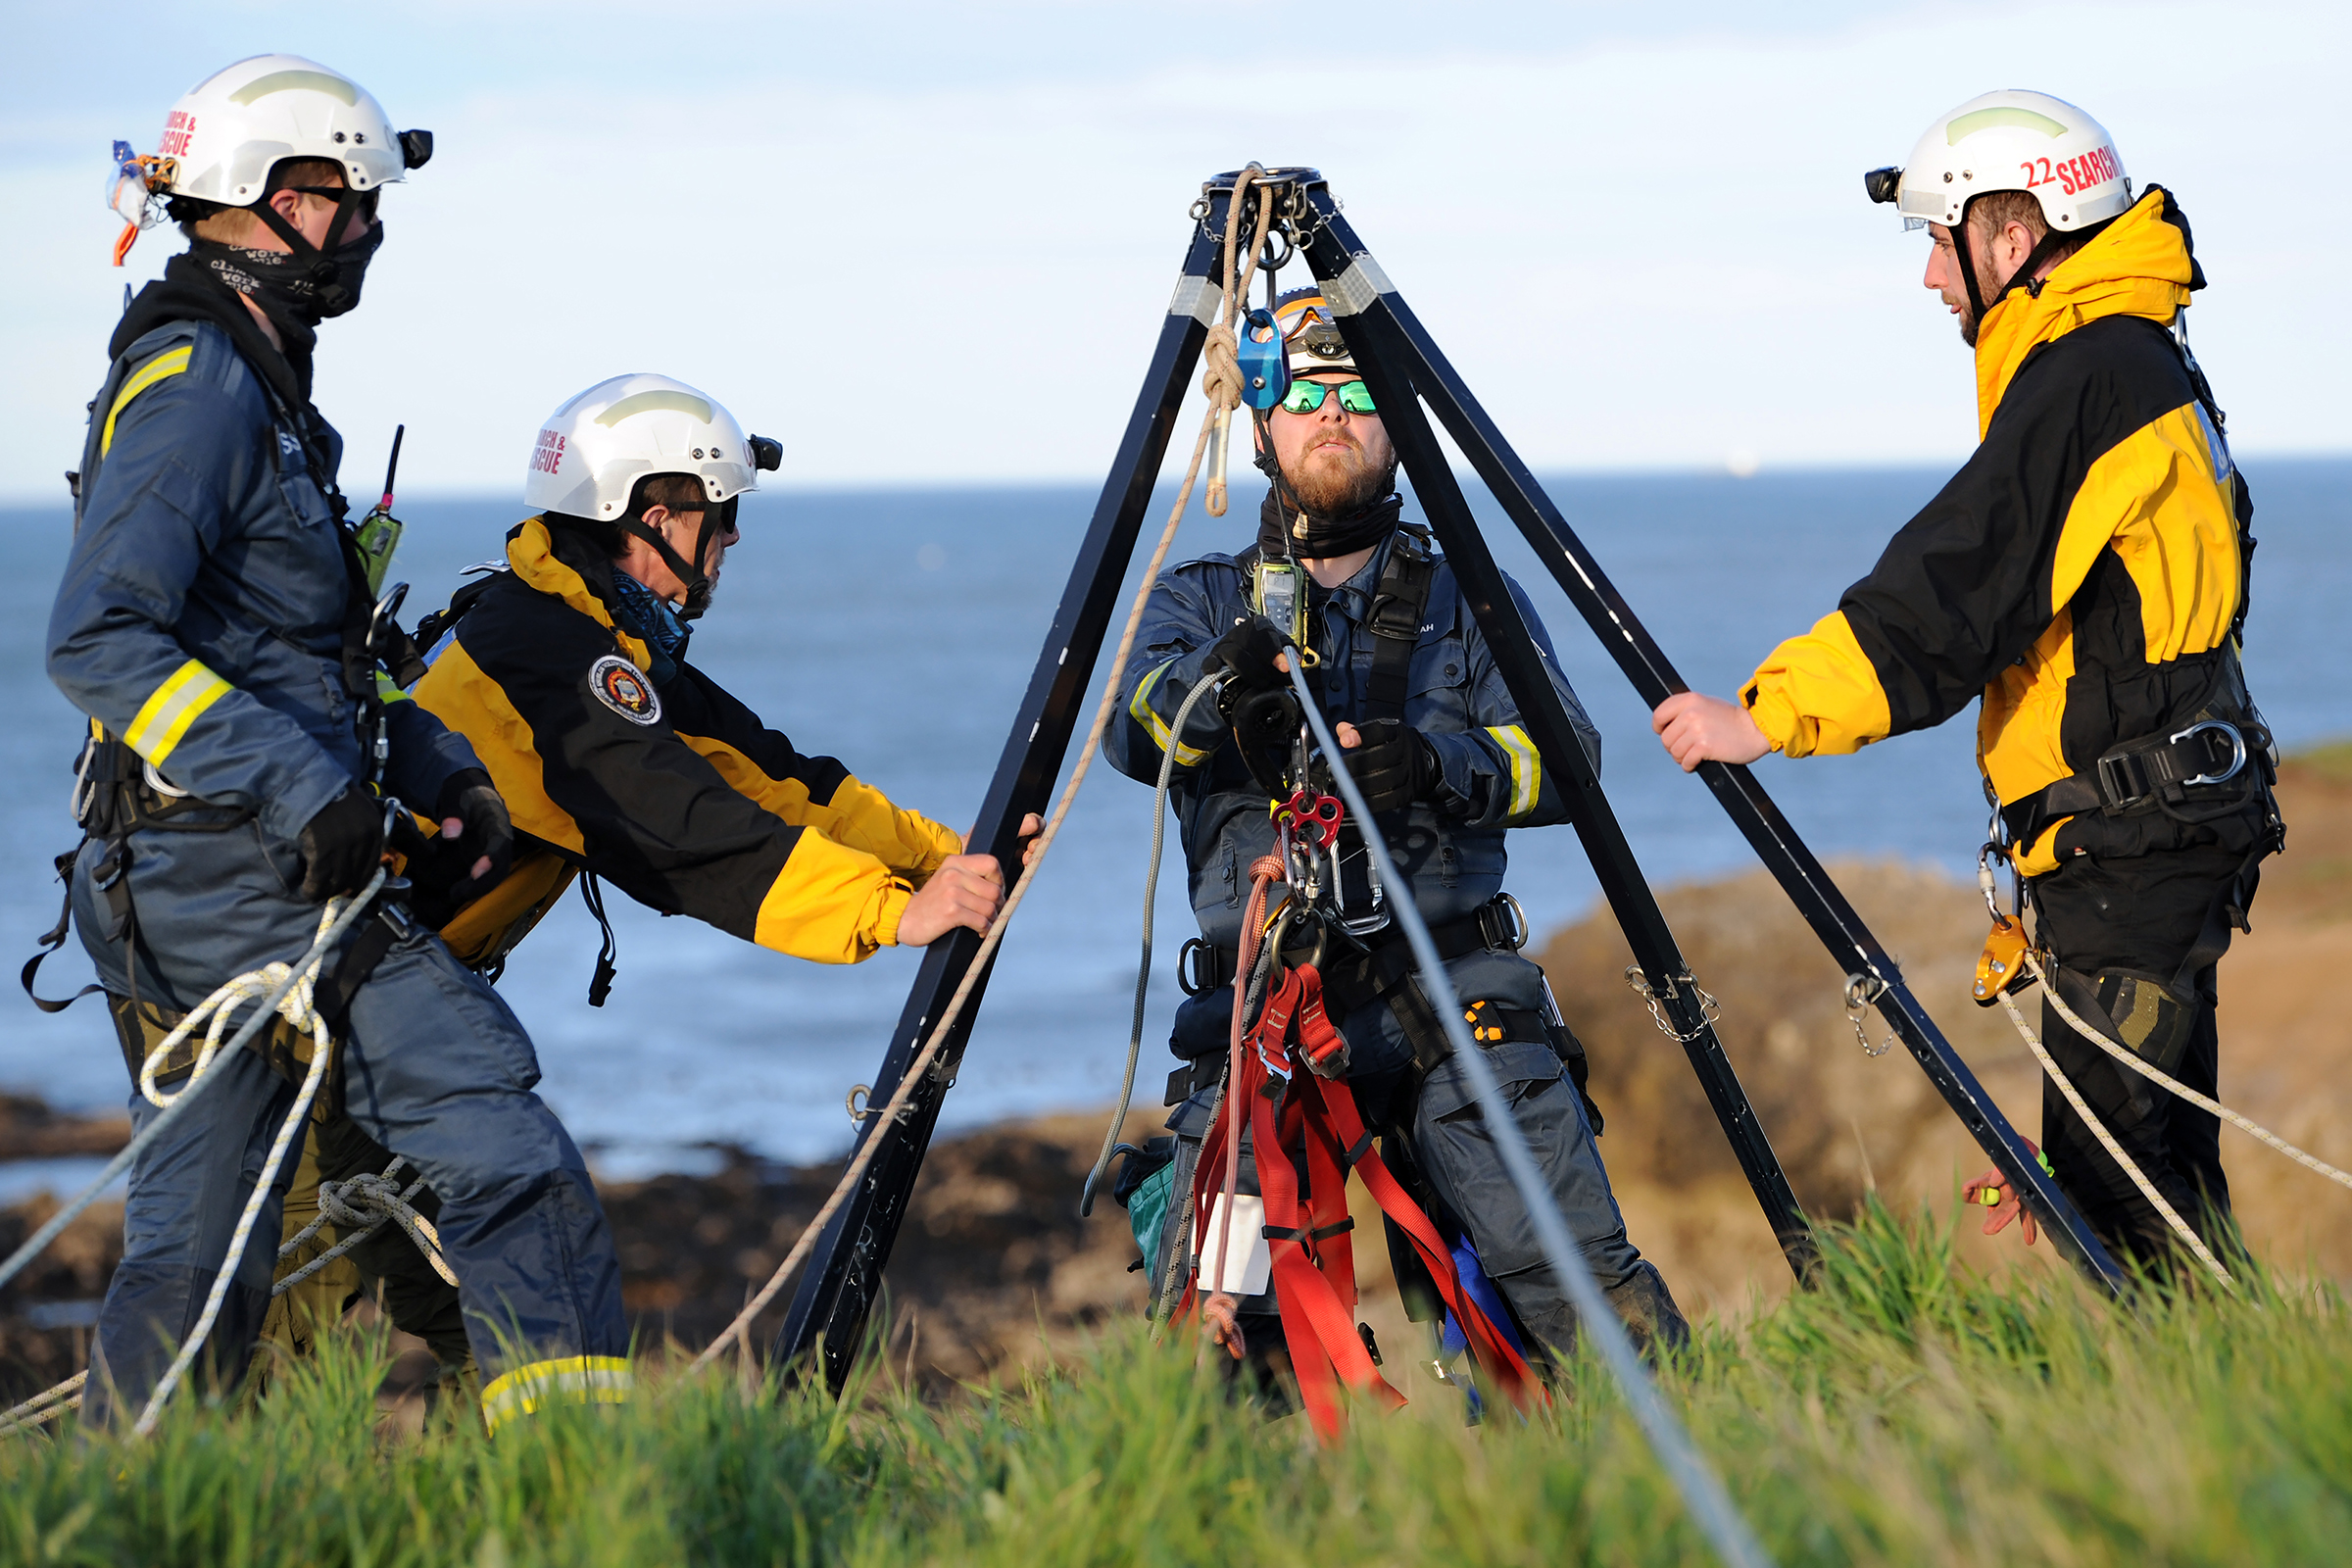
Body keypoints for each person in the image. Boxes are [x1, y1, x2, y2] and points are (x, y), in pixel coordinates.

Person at [47, 55, 629, 1432]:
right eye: (344, 196)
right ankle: (592, 1490)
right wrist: (310, 789)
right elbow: (100, 636)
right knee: (502, 1153)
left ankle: (130, 1509)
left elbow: (302, 660)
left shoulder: (254, 387)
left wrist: (432, 773)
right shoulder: (201, 389)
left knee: (198, 1261)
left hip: (204, 886)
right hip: (247, 890)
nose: (368, 224)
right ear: (260, 199)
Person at [273, 373, 1038, 1369]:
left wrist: (950, 854)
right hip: (311, 1026)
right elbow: (684, 830)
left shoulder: (593, 633)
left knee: (486, 1319)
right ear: (653, 514)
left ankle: (534, 1497)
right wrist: (895, 913)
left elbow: (776, 778)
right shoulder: (550, 658)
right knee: (273, 1316)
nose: (722, 556)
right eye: (716, 530)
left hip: (380, 1019)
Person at [1651, 91, 2280, 1272]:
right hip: (2162, 824)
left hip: (2135, 846)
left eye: (1943, 241)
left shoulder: (2094, 377)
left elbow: (1955, 588)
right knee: (2160, 1173)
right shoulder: (2131, 356)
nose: (1933, 278)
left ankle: (2167, 1434)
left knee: (2117, 1189)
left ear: (2013, 231)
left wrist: (1769, 714)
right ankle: (2222, 1397)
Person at [1106, 287, 1687, 1366]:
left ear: (1399, 420)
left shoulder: (1473, 596)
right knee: (1230, 1338)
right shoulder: (1195, 600)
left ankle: (1647, 1483)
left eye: (1361, 392)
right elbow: (1135, 738)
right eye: (1308, 393)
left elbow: (1572, 763)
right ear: (1262, 418)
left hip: (1455, 995)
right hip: (1261, 1017)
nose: (1334, 415)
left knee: (1569, 1287)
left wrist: (1437, 764)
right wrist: (1218, 676)